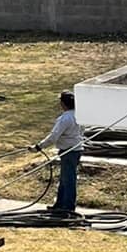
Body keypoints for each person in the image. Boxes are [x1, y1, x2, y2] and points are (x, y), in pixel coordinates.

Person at [33, 89, 84, 217]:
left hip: (69, 151)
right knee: (65, 179)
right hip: (75, 150)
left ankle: (67, 207)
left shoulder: (64, 119)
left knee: (69, 179)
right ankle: (60, 204)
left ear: (63, 104)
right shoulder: (79, 116)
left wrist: (39, 147)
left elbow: (53, 137)